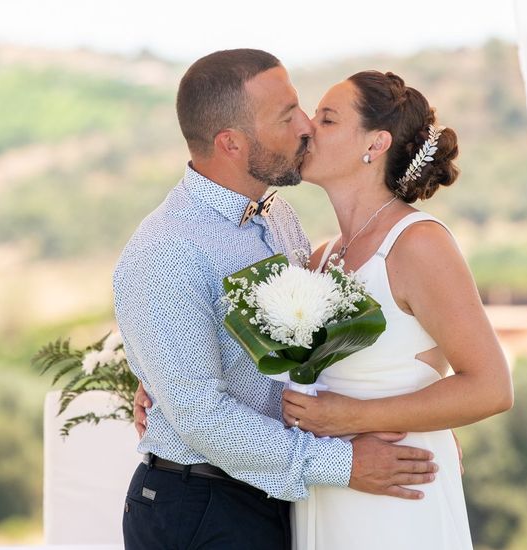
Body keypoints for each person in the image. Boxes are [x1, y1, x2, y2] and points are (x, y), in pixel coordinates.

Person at [113, 49, 438, 550]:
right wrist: (346, 465)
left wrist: (423, 420)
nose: (307, 125)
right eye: (288, 117)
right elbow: (202, 418)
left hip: (276, 499)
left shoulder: (279, 218)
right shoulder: (167, 249)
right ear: (232, 143)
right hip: (202, 507)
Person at [278, 70, 514, 548]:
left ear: (376, 143)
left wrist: (352, 418)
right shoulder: (319, 258)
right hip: (328, 492)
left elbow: (491, 387)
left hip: (398, 493)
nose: (306, 128)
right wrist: (158, 382)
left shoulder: (417, 244)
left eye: (327, 119)